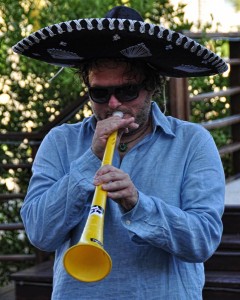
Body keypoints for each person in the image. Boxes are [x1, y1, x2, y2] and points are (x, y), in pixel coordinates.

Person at [13, 5, 227, 300]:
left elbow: (202, 241)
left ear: (152, 87)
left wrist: (137, 203)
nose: (113, 104)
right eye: (99, 93)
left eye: (127, 91)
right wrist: (89, 161)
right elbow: (39, 234)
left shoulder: (193, 142)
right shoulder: (60, 142)